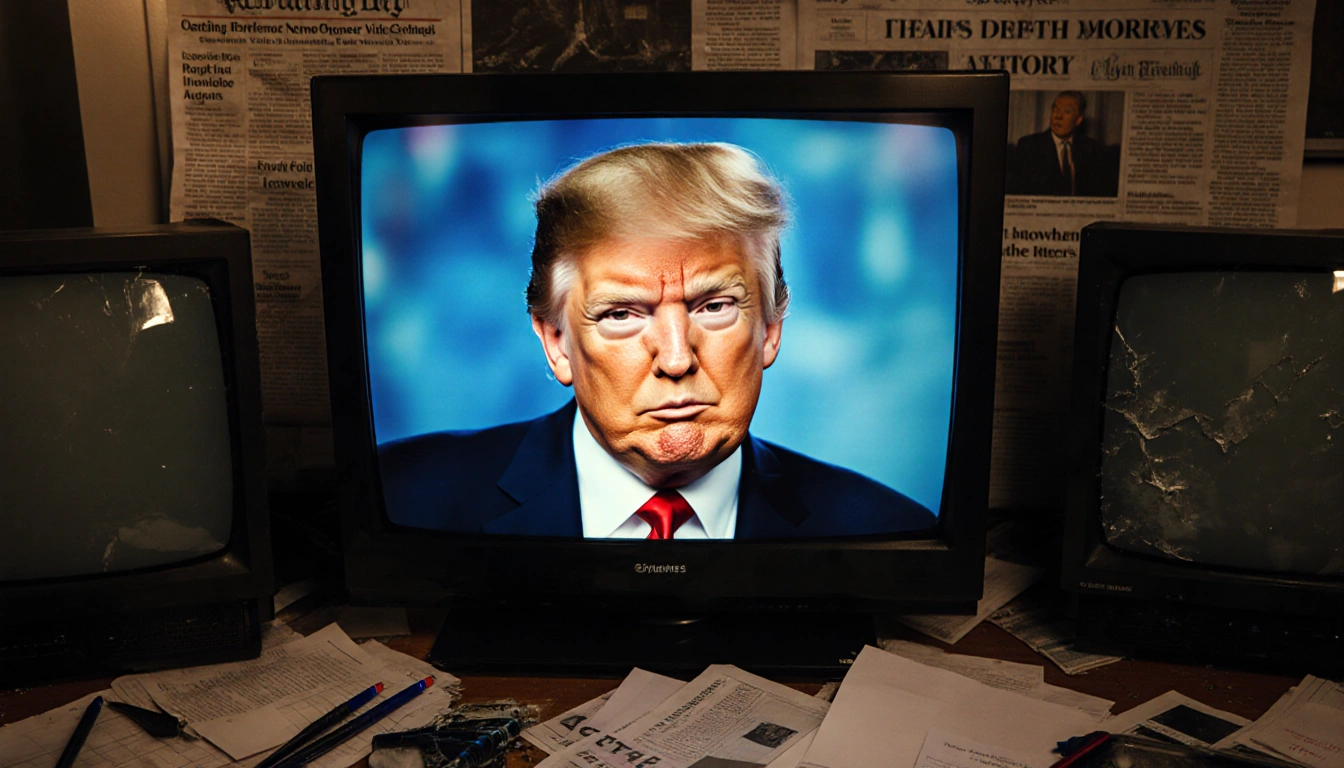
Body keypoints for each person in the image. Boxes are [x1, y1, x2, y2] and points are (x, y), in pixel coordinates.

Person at [379, 142, 935, 539]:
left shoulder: (888, 527)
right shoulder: (405, 494)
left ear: (769, 329)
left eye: (714, 307)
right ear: (556, 342)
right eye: (621, 314)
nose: (674, 359)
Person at [1008, 91, 1117, 197]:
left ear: (1078, 120)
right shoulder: (1029, 146)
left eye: (1067, 111)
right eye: (1055, 110)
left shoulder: (1092, 149)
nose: (1058, 116)